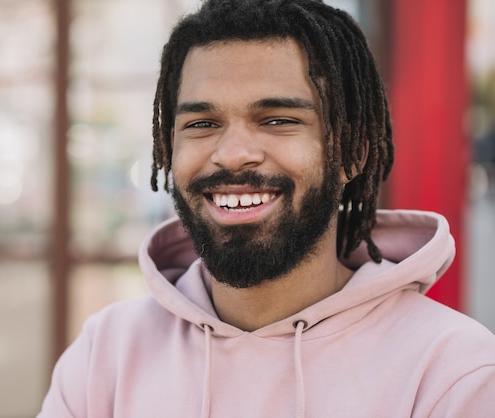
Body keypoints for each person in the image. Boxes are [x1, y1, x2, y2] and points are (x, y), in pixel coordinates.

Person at [38, 0, 495, 416]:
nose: (233, 153)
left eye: (278, 120)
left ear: (353, 152)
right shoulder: (106, 354)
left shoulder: (453, 371)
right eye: (202, 123)